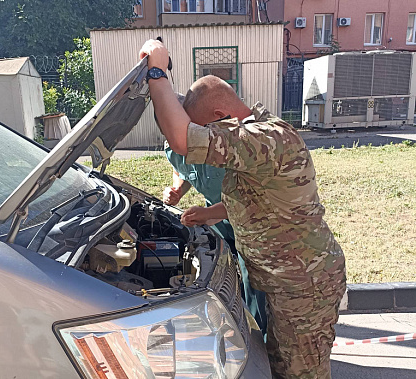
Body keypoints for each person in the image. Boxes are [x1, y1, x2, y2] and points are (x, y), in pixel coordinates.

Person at [140, 39, 346, 379]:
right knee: (277, 365)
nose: (203, 139)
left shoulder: (265, 139)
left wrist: (157, 70)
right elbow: (249, 198)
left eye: (204, 127)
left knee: (300, 374)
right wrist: (203, 212)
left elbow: (181, 138)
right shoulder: (251, 142)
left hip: (304, 288)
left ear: (220, 117)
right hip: (286, 282)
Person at [163, 139, 268, 334]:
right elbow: (182, 171)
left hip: (251, 220)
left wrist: (208, 213)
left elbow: (249, 199)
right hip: (217, 220)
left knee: (254, 284)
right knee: (229, 278)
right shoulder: (173, 145)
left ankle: (260, 341)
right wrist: (177, 190)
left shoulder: (223, 144)